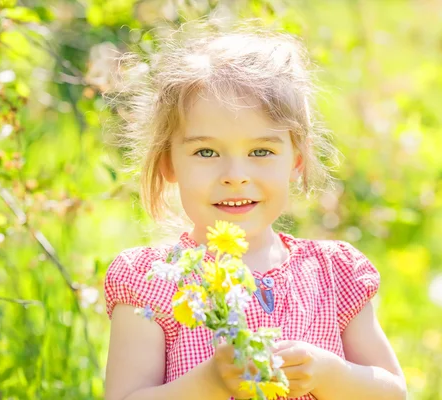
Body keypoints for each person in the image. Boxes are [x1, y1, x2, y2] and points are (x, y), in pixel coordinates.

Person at [103, 24, 406, 400]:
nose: (235, 177)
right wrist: (209, 383)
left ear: (296, 158)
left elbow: (394, 392)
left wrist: (329, 373)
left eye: (261, 152)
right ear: (168, 163)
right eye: (206, 153)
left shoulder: (333, 274)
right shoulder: (150, 282)